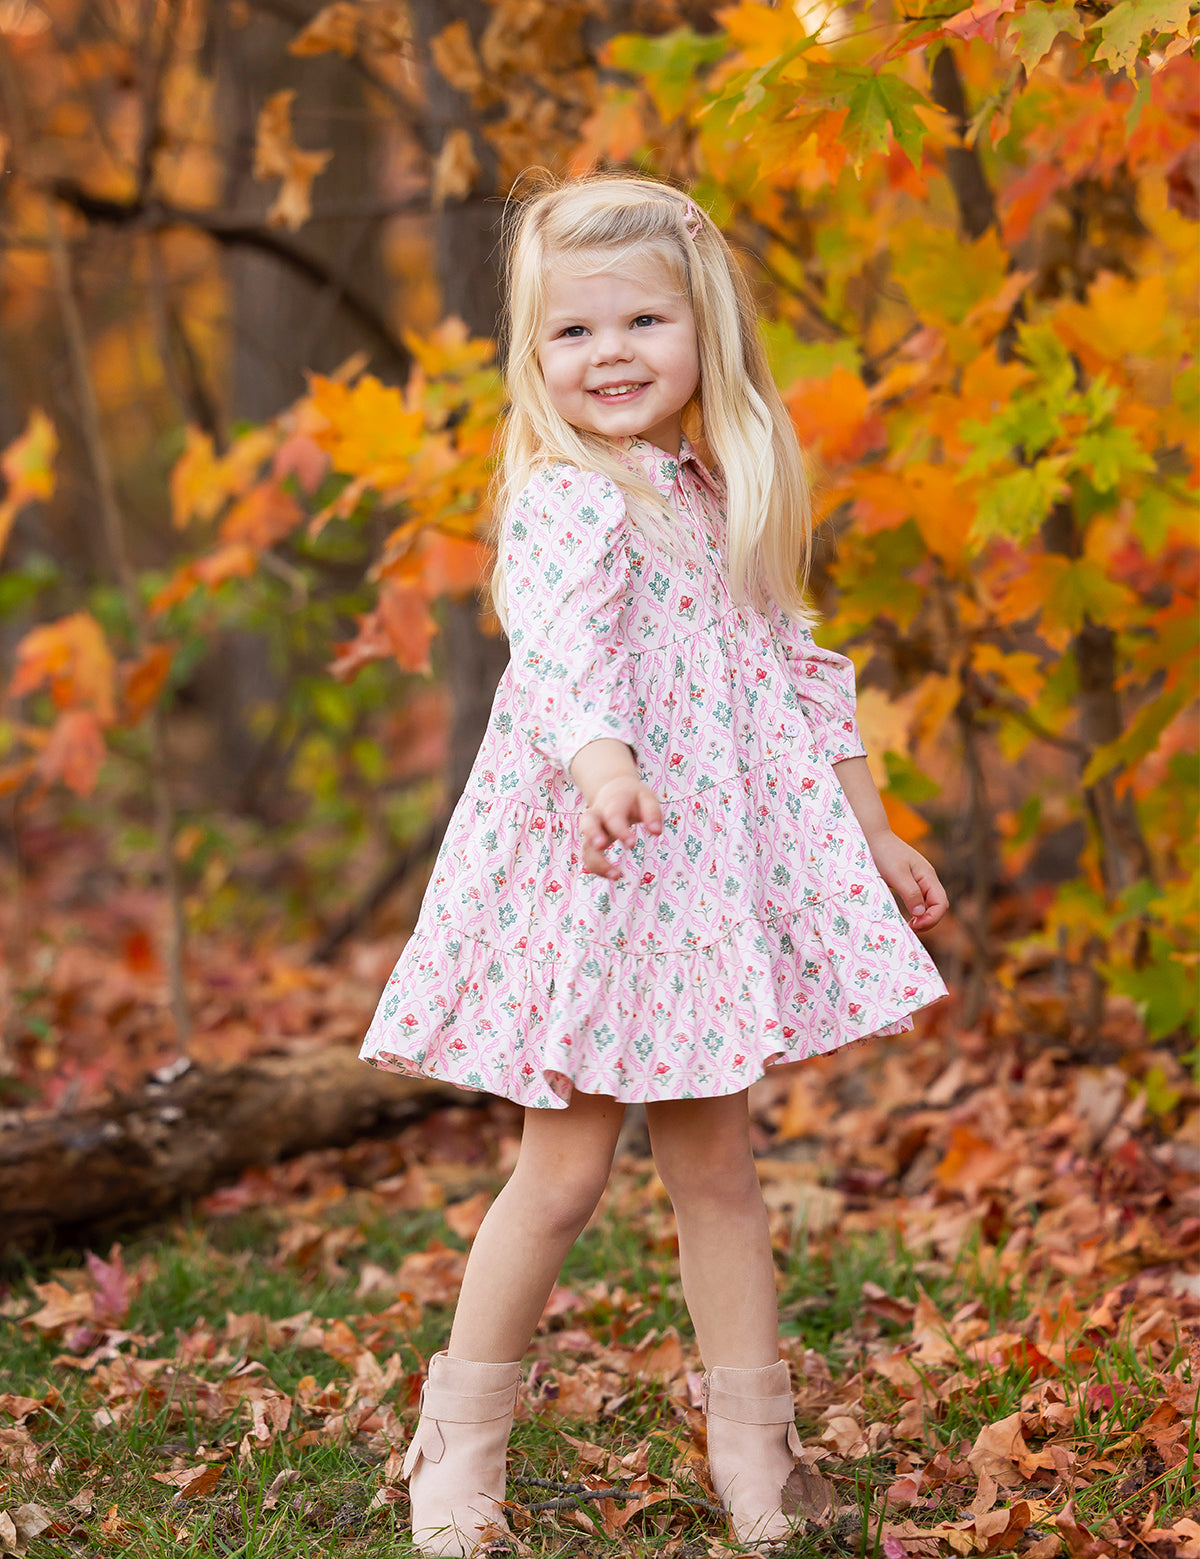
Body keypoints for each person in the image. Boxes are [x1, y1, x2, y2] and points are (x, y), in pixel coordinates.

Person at [360, 172, 949, 1556]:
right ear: (534, 356)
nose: (610, 354)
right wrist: (603, 760)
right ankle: (456, 1447)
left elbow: (802, 672)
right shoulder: (571, 500)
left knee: (720, 1173)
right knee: (560, 1176)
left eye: (642, 321)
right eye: (574, 333)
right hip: (604, 873)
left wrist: (873, 825)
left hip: (704, 895)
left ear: (704, 336)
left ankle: (759, 1458)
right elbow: (559, 650)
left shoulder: (718, 490)